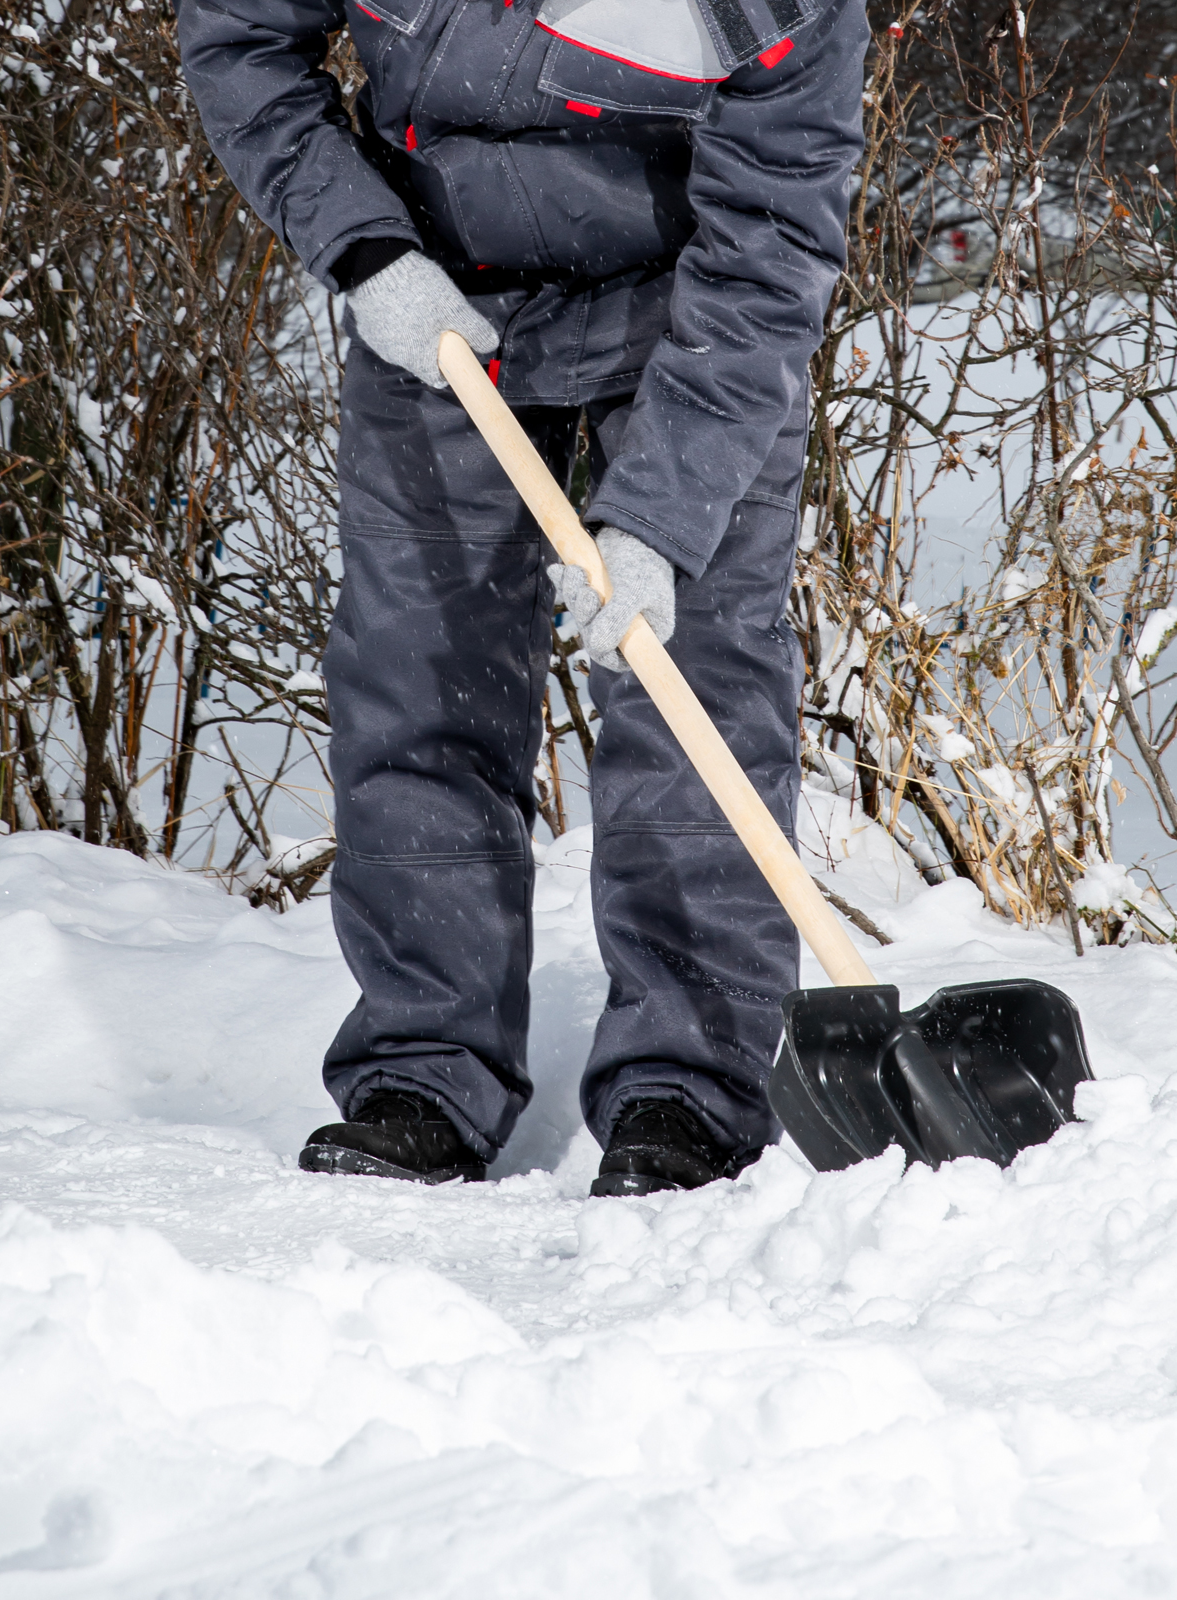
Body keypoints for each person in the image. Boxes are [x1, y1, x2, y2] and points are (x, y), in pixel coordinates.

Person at [176, 0, 866, 1194]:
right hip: (432, 290)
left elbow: (769, 245)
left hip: (687, 313)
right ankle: (425, 1066)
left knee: (694, 679)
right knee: (416, 682)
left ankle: (688, 1088)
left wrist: (658, 519)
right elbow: (237, 38)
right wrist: (364, 248)